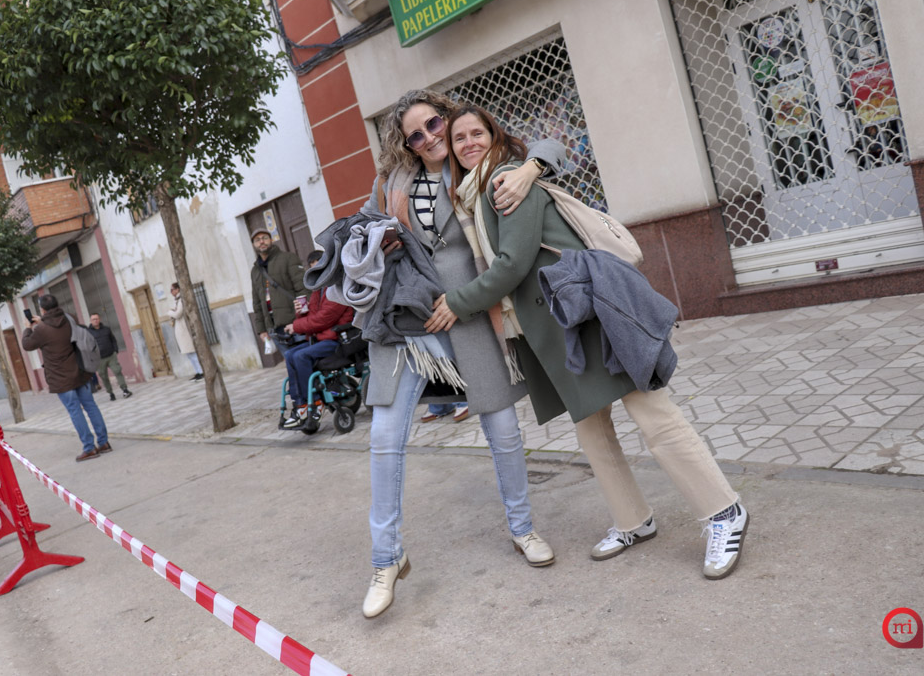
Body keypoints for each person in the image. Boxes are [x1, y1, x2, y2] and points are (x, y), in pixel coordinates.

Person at [430, 104, 749, 580]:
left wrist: (458, 303)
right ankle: (633, 520)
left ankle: (724, 511)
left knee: (652, 413)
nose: (469, 143)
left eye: (477, 133)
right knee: (592, 430)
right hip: (557, 324)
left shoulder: (505, 182)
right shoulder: (473, 197)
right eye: (460, 138)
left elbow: (513, 263)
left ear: (494, 136)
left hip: (587, 315)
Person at [351, 89, 570, 619]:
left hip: (470, 315)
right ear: (405, 144)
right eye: (415, 135)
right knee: (384, 437)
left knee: (503, 430)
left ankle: (522, 527)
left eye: (433, 125)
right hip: (406, 320)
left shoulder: (481, 162)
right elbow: (359, 228)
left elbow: (551, 150)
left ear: (446, 118)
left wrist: (531, 168)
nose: (429, 138)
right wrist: (374, 241)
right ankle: (386, 558)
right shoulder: (391, 183)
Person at [22, 294, 111, 462]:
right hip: (80, 371)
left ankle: (89, 448)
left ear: (42, 309)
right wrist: (42, 321)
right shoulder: (70, 318)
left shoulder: (41, 330)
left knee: (75, 410)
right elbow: (57, 326)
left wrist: (28, 328)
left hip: (60, 377)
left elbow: (27, 345)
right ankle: (103, 442)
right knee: (91, 406)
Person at [281, 250, 354, 429]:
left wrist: (296, 326)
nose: (319, 273)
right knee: (290, 354)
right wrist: (301, 312)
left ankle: (314, 403)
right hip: (321, 339)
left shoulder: (337, 288)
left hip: (336, 340)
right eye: (315, 270)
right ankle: (300, 404)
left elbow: (323, 320)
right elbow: (313, 317)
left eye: (321, 268)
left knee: (301, 356)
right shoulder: (319, 290)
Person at [249, 229, 308, 358]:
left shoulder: (288, 258)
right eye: (257, 240)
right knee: (290, 362)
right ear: (253, 244)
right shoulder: (255, 270)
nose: (261, 242)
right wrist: (261, 330)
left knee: (305, 360)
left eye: (264, 238)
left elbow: (302, 288)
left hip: (294, 322)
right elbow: (257, 303)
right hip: (273, 327)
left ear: (271, 240)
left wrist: (303, 317)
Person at [88, 313, 132, 400]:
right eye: (93, 319)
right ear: (91, 321)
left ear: (99, 319)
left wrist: (115, 350)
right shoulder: (88, 332)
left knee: (117, 371)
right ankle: (111, 393)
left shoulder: (106, 329)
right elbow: (87, 345)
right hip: (99, 359)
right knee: (104, 376)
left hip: (111, 355)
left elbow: (113, 340)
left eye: (97, 319)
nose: (95, 320)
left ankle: (125, 390)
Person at [168, 282, 203, 381]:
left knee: (192, 352)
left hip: (185, 330)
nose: (171, 292)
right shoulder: (176, 301)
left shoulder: (181, 300)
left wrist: (170, 312)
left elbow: (178, 314)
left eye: (172, 290)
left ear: (177, 289)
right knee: (189, 354)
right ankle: (198, 371)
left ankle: (201, 372)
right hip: (181, 331)